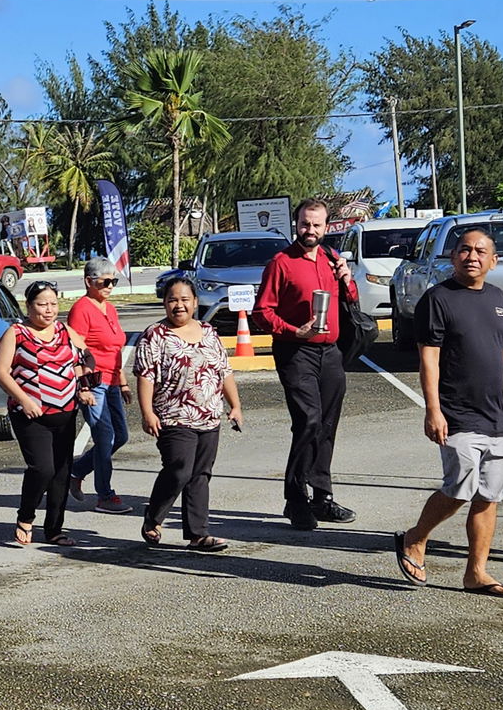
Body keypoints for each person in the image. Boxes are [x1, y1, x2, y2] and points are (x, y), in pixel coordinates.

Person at [392, 228, 503, 596]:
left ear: (494, 261)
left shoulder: (495, 297)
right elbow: (429, 358)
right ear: (453, 257)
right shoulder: (438, 298)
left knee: (490, 494)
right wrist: (434, 410)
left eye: (480, 251)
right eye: (464, 250)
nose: (472, 256)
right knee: (460, 488)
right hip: (457, 412)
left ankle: (476, 573)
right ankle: (415, 538)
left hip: (497, 416)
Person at [255, 198, 359, 530]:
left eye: (316, 225)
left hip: (330, 352)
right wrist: (291, 329)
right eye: (304, 224)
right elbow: (262, 312)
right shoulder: (281, 263)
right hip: (294, 351)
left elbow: (351, 301)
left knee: (327, 426)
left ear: (326, 227)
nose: (309, 230)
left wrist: (346, 279)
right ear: (295, 224)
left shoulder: (331, 259)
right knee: (309, 421)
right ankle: (295, 499)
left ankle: (323, 498)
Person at [134, 276, 242, 551]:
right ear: (164, 303)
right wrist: (147, 413)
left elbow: (224, 371)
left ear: (195, 302)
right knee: (180, 469)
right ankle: (153, 518)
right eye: (173, 300)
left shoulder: (208, 331)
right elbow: (146, 376)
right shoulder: (155, 335)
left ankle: (198, 535)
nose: (179, 306)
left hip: (208, 415)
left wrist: (235, 405)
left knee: (200, 474)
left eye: (184, 300)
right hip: (172, 415)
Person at [0, 280, 94, 547]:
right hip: (30, 414)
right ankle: (25, 517)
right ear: (28, 307)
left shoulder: (64, 330)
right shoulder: (16, 333)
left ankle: (54, 529)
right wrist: (24, 400)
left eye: (53, 304)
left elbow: (86, 360)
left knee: (62, 472)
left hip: (65, 412)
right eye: (41, 304)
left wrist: (84, 387)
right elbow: (1, 372)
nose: (48, 310)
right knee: (42, 468)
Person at [67, 257, 131, 513]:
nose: (110, 286)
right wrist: (83, 386)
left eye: (113, 281)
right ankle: (105, 495)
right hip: (94, 383)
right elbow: (74, 351)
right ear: (88, 281)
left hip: (113, 381)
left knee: (121, 436)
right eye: (105, 281)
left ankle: (77, 471)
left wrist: (124, 383)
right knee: (104, 436)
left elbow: (116, 349)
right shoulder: (81, 309)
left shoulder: (110, 308)